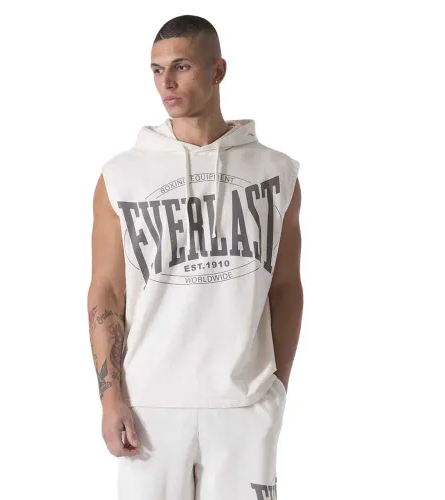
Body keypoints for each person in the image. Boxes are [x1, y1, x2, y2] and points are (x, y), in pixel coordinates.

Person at [87, 14, 303, 500]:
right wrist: (111, 398)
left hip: (245, 404)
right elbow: (106, 291)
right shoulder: (121, 176)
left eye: (181, 66)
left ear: (217, 70)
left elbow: (286, 287)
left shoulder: (277, 172)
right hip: (150, 408)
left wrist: (276, 388)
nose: (166, 82)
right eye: (156, 70)